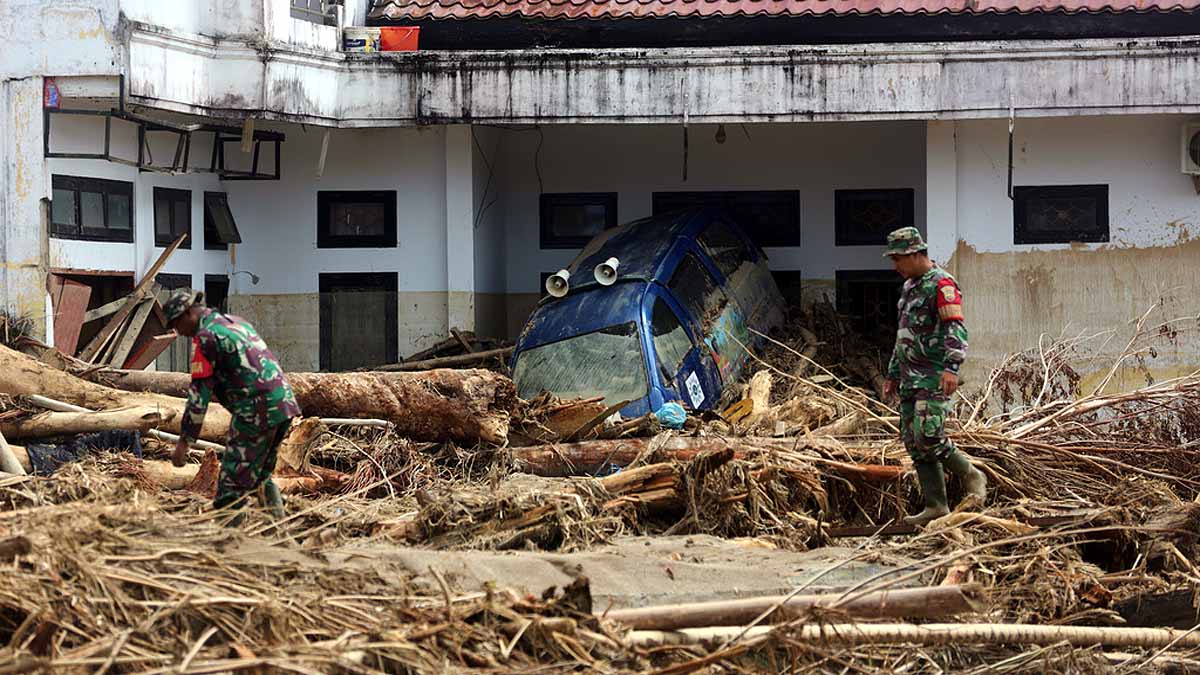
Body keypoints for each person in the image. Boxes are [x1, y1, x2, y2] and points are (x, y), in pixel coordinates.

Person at [163, 289, 300, 522]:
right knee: (259, 476)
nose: (179, 333)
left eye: (176, 326)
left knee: (230, 483)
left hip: (255, 411)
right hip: (284, 405)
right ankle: (279, 531)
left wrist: (184, 442)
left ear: (187, 315)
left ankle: (229, 544)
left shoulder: (206, 337)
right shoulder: (236, 322)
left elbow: (199, 395)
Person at [881, 227, 987, 526]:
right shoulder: (909, 287)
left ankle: (971, 474)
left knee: (929, 436)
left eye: (899, 259)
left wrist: (952, 368)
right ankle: (936, 506)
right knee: (913, 442)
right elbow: (903, 335)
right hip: (908, 377)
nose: (895, 266)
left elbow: (956, 329)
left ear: (915, 254)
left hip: (933, 376)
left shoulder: (942, 284)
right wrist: (892, 374)